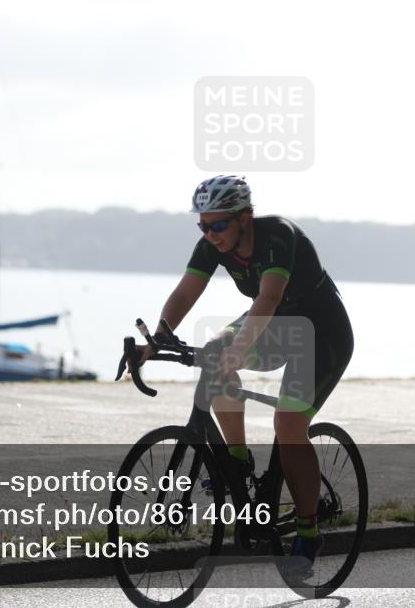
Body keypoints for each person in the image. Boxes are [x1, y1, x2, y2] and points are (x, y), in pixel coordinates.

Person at [132, 175, 353, 576]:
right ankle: (236, 462)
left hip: (321, 333)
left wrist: (239, 349)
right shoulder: (211, 245)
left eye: (218, 225)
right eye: (203, 225)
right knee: (214, 354)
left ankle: (307, 532)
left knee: (288, 423)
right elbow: (185, 294)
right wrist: (158, 341)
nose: (210, 234)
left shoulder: (278, 236)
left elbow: (268, 297)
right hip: (273, 324)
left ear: (245, 217)